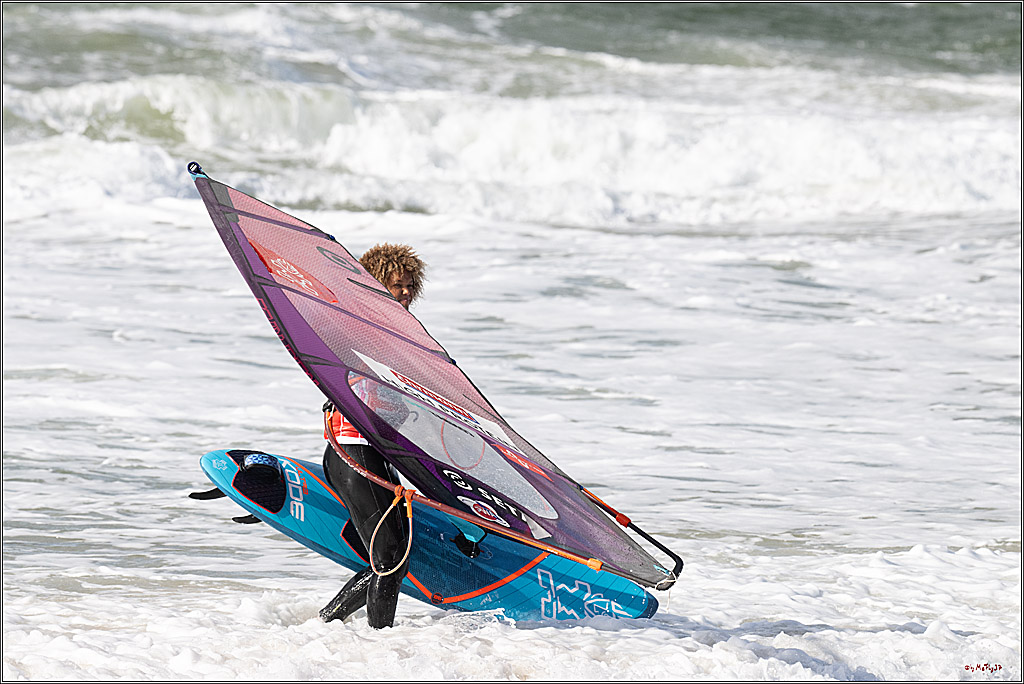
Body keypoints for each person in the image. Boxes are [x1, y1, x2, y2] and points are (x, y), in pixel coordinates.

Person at [319, 243, 426, 629]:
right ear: (373, 285)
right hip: (353, 452)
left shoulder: (394, 335)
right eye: (396, 286)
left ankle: (324, 625)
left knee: (392, 558)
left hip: (372, 455)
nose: (405, 293)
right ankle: (381, 647)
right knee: (390, 559)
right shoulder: (357, 328)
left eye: (411, 285)